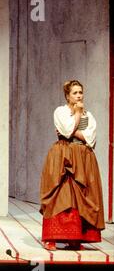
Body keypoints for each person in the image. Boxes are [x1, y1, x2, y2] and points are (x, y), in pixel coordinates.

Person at [40, 80, 105, 251]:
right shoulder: (60, 111)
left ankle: (75, 238)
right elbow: (66, 131)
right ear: (67, 96)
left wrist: (72, 130)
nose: (79, 96)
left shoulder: (88, 115)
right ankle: (51, 238)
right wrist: (75, 114)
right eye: (75, 93)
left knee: (81, 198)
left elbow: (90, 137)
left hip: (83, 157)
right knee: (61, 196)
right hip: (64, 156)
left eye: (80, 92)